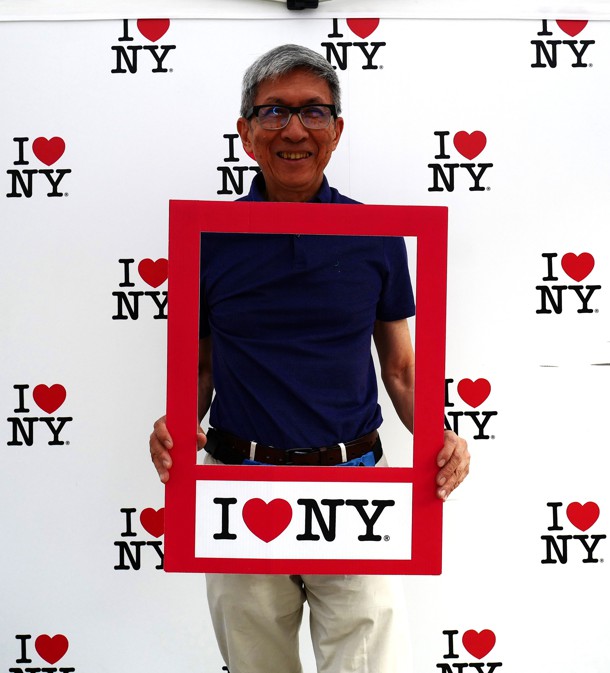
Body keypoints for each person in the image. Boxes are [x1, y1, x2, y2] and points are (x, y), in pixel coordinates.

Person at [150, 44, 470, 673]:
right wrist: (177, 426)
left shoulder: (376, 235)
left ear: (336, 131)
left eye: (313, 112)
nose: (294, 130)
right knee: (257, 666)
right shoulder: (207, 240)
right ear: (246, 132)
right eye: (273, 111)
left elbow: (401, 369)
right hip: (238, 486)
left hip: (356, 486)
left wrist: (440, 434)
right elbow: (200, 368)